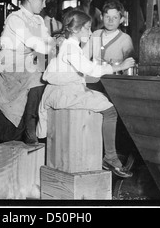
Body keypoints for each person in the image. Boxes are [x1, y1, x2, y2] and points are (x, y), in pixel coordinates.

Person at [38, 10, 135, 178]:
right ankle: (110, 157)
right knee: (110, 110)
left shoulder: (72, 45)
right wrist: (119, 67)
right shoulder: (70, 48)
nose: (90, 33)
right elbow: (90, 69)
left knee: (101, 101)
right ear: (76, 29)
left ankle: (105, 156)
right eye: (87, 29)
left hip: (66, 90)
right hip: (64, 93)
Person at [0, 0, 56, 145]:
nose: (44, 4)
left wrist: (57, 43)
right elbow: (36, 43)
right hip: (9, 66)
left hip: (27, 64)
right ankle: (30, 127)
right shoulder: (15, 19)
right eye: (42, 0)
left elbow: (47, 41)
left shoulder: (39, 20)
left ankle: (43, 126)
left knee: (47, 76)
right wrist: (52, 45)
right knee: (38, 77)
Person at [86, 0, 134, 68]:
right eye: (107, 17)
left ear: (121, 20)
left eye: (115, 17)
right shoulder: (96, 35)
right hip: (94, 77)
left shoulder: (125, 39)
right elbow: (85, 57)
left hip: (115, 77)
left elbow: (129, 65)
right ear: (101, 17)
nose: (110, 21)